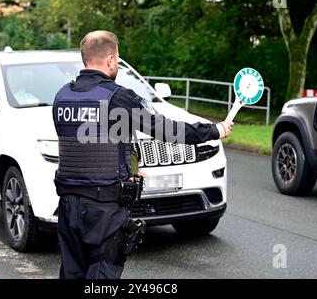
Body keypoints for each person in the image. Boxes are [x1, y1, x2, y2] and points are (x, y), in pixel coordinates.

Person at [52, 30, 233, 279]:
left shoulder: (62, 96)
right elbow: (168, 130)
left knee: (72, 275)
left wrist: (128, 166)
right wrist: (214, 130)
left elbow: (86, 143)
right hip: (104, 210)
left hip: (68, 207)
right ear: (111, 60)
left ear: (85, 59)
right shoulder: (119, 97)